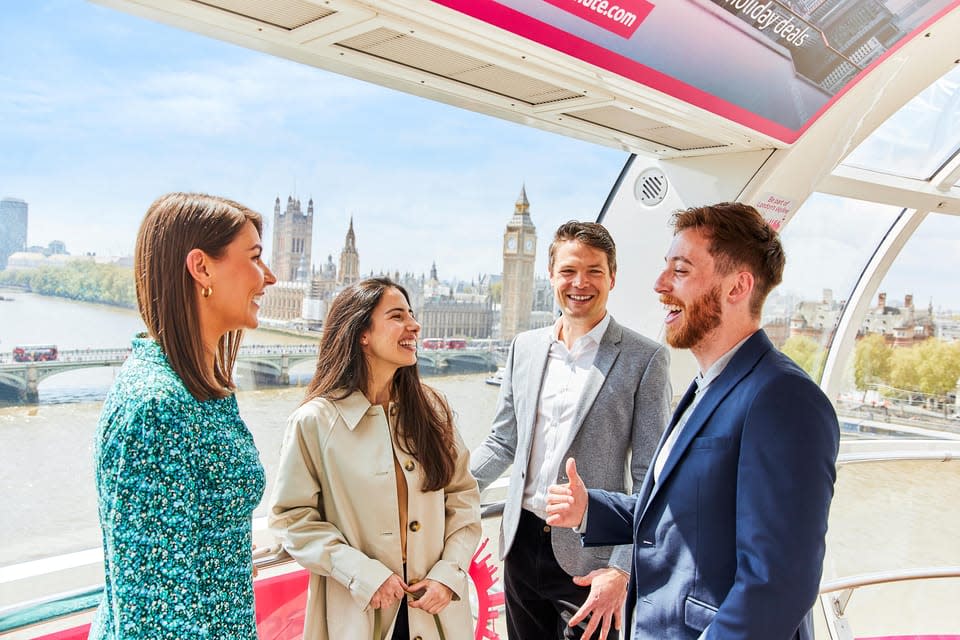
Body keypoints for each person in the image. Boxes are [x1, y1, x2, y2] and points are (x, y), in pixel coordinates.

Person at [546, 202, 840, 640]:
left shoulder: (783, 399)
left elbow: (777, 584)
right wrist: (591, 509)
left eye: (680, 271)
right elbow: (683, 517)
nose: (660, 284)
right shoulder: (706, 387)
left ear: (738, 286)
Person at [471, 221, 672, 640]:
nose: (580, 283)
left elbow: (651, 478)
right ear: (552, 275)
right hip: (521, 545)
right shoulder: (523, 348)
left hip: (591, 561)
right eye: (568, 271)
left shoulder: (645, 359)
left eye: (594, 271)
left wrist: (620, 568)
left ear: (612, 277)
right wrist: (441, 491)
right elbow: (501, 441)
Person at [90, 192, 277, 639]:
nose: (268, 277)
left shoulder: (199, 389)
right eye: (254, 258)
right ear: (202, 268)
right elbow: (156, 618)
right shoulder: (157, 409)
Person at [268, 277, 481, 640]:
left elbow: (463, 500)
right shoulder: (315, 422)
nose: (414, 325)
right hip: (358, 610)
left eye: (412, 315)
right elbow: (291, 519)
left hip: (433, 611)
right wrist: (361, 573)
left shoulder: (432, 411)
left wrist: (449, 574)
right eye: (397, 316)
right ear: (361, 333)